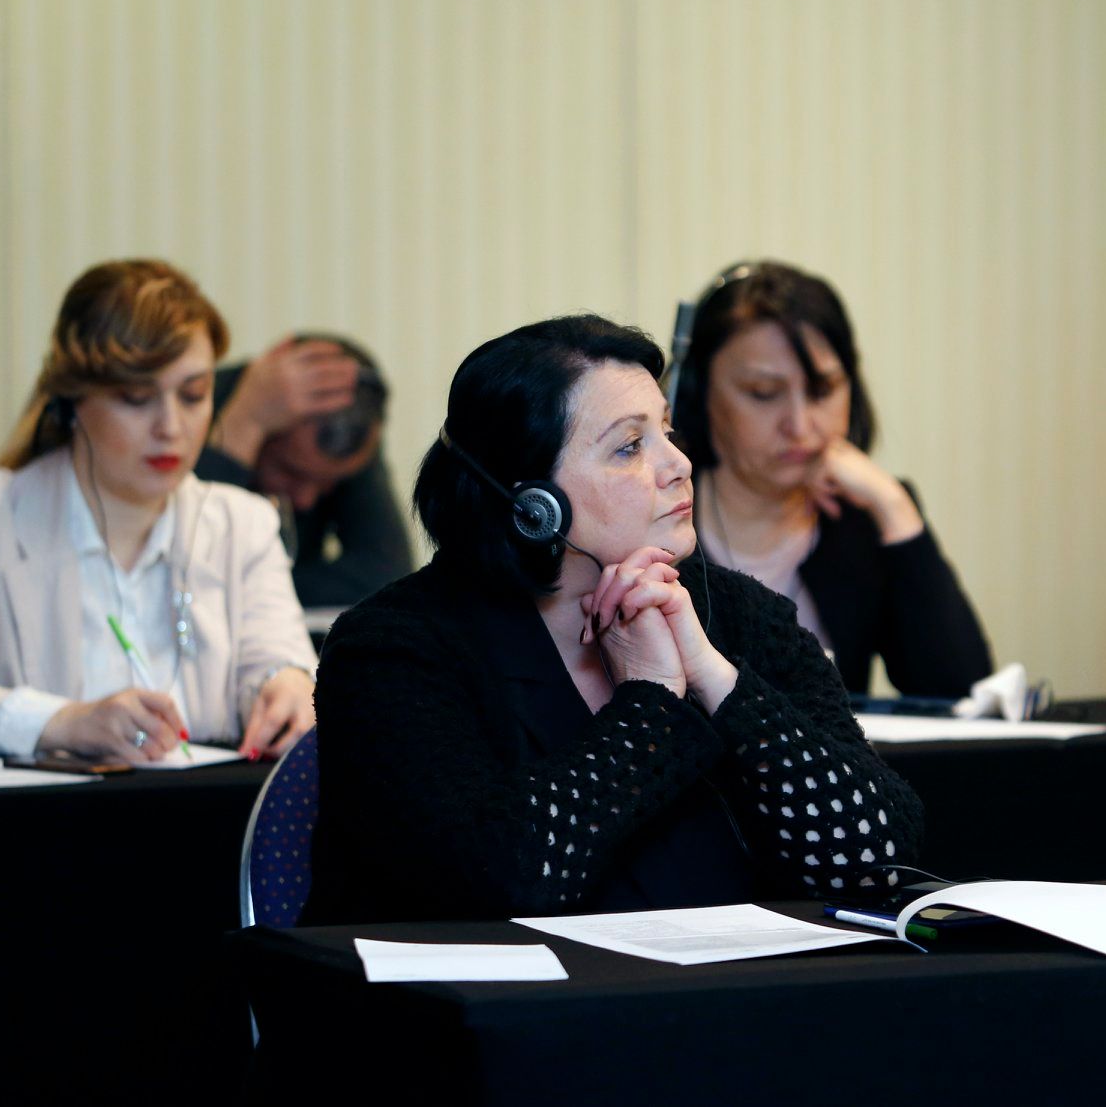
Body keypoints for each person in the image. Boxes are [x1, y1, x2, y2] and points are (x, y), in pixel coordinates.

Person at [302, 314, 924, 925]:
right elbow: (500, 880)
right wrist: (650, 700)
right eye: (629, 447)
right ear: (531, 504)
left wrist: (713, 676)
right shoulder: (393, 649)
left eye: (667, 432)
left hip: (722, 988)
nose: (678, 464)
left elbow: (878, 858)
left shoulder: (739, 614)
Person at [0, 261, 317, 763]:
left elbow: (279, 662)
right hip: (36, 812)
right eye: (136, 398)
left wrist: (286, 685)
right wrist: (62, 722)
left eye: (193, 395)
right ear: (72, 400)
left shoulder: (243, 524)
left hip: (205, 809)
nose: (171, 426)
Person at [666, 262, 992, 697]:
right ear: (698, 394)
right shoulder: (657, 518)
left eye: (822, 391)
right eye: (764, 394)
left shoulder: (862, 516)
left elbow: (962, 694)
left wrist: (894, 508)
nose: (800, 426)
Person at [195, 333, 414, 607]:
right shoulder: (188, 411)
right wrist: (243, 422)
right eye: (290, 472)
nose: (305, 500)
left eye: (327, 485)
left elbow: (386, 575)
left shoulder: (346, 429)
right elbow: (188, 568)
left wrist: (248, 586)